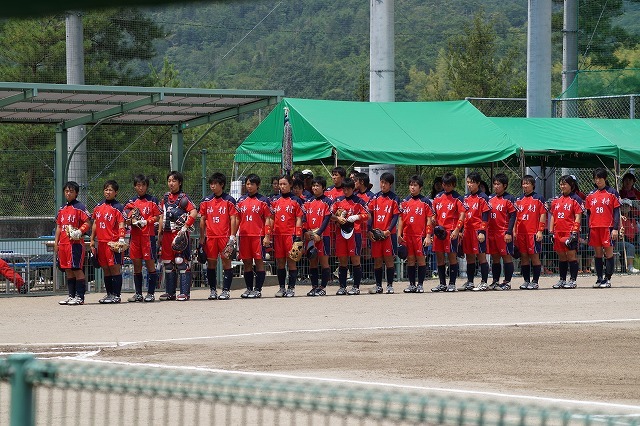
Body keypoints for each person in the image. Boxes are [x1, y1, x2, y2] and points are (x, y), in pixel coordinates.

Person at [157, 171, 198, 301]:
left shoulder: (183, 198)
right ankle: (170, 292)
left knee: (181, 262)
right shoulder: (164, 198)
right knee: (168, 264)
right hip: (167, 234)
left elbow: (193, 212)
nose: (171, 183)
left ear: (179, 183)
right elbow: (161, 216)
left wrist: (185, 227)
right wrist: (160, 234)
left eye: (174, 181)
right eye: (169, 180)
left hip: (179, 234)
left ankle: (185, 293)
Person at [199, 172, 238, 300]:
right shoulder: (206, 201)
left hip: (224, 236)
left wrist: (232, 236)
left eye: (215, 183)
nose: (212, 186)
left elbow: (233, 219)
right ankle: (213, 290)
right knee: (211, 264)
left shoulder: (229, 200)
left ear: (222, 184)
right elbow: (202, 219)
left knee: (227, 263)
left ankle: (226, 291)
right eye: (211, 183)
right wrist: (202, 236)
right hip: (210, 237)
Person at [264, 174, 304, 297]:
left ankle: (291, 288)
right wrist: (268, 235)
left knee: (291, 262)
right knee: (280, 262)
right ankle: (281, 288)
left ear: (290, 185)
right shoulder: (274, 201)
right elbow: (270, 218)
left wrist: (298, 236)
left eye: (284, 184)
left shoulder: (296, 200)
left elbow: (298, 219)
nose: (281, 186)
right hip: (278, 235)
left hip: (290, 235)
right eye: (280, 184)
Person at [123, 175, 161, 302]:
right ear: (135, 186)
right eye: (138, 185)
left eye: (143, 185)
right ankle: (138, 293)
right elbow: (126, 218)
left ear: (147, 186)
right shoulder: (131, 202)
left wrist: (147, 221)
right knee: (136, 265)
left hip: (147, 237)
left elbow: (157, 216)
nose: (141, 188)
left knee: (150, 264)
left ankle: (150, 293)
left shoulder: (152, 200)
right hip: (135, 237)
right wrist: (131, 220)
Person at [475, 173, 516, 291]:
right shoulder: (490, 198)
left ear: (505, 186)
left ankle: (507, 282)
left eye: (499, 184)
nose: (496, 186)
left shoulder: (509, 198)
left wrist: (509, 232)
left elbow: (513, 216)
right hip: (492, 232)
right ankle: (495, 281)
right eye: (495, 184)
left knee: (506, 257)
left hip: (503, 232)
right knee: (495, 258)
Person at [235, 174, 272, 299]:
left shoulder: (263, 200)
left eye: (252, 184)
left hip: (258, 236)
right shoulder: (240, 201)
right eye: (247, 184)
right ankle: (249, 288)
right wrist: (233, 235)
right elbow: (236, 219)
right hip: (244, 236)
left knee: (259, 262)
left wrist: (267, 236)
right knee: (246, 263)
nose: (249, 186)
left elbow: (268, 219)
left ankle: (258, 289)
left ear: (258, 185)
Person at [54, 181, 91, 305]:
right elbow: (59, 226)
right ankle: (71, 296)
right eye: (66, 191)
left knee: (76, 269)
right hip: (63, 244)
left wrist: (79, 232)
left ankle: (80, 297)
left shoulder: (80, 207)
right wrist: (56, 242)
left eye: (71, 191)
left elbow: (87, 222)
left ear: (76, 193)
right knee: (68, 270)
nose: (68, 193)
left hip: (74, 244)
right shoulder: (62, 209)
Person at [90, 180, 126, 304]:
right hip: (101, 242)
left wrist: (121, 238)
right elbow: (95, 223)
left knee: (114, 268)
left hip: (113, 243)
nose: (108, 192)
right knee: (105, 269)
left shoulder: (118, 207)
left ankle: (116, 295)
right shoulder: (98, 207)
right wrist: (92, 239)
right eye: (106, 189)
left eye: (111, 190)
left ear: (116, 192)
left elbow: (122, 222)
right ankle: (109, 294)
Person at [331, 178, 369, 295]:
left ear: (353, 189)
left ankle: (356, 287)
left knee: (355, 259)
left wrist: (357, 217)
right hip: (340, 233)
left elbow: (367, 215)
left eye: (348, 189)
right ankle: (342, 287)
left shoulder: (359, 201)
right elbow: (329, 214)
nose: (346, 191)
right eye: (344, 189)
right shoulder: (338, 201)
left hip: (355, 233)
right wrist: (338, 218)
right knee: (342, 259)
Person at [584, 167, 621, 288]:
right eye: (595, 178)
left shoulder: (612, 192)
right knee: (598, 253)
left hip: (608, 227)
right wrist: (588, 229)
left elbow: (616, 211)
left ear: (605, 178)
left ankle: (608, 278)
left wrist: (615, 228)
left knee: (608, 252)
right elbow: (588, 213)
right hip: (595, 227)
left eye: (599, 178)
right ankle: (599, 278)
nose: (597, 181)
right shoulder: (590, 195)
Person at [430, 172, 467, 292]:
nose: (446, 187)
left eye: (449, 185)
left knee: (452, 257)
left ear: (454, 185)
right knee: (439, 257)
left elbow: (462, 214)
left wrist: (457, 229)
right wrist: (434, 217)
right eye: (444, 185)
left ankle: (452, 283)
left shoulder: (458, 198)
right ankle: (442, 283)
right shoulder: (438, 197)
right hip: (439, 231)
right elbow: (433, 212)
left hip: (451, 231)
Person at [397, 175, 434, 293]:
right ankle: (412, 284)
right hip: (408, 235)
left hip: (420, 235)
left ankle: (420, 284)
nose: (412, 187)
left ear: (420, 187)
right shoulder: (405, 202)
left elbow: (429, 219)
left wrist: (428, 236)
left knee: (421, 259)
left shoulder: (425, 201)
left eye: (415, 185)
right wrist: (399, 234)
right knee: (410, 259)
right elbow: (401, 219)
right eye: (411, 185)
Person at [549, 175, 585, 289]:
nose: (562, 186)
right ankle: (562, 279)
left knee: (571, 256)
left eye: (565, 184)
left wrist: (574, 232)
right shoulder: (556, 200)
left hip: (569, 232)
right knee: (561, 257)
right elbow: (553, 216)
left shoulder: (576, 199)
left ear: (571, 185)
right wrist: (551, 232)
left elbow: (578, 216)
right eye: (561, 184)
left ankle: (573, 280)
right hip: (558, 232)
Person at [367, 172, 400, 294]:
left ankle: (390, 285)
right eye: (381, 182)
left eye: (385, 183)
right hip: (376, 234)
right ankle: (378, 285)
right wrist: (369, 230)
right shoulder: (374, 198)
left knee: (389, 259)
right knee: (377, 260)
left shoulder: (394, 198)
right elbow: (369, 215)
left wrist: (388, 231)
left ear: (390, 184)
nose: (383, 185)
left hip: (388, 234)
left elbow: (395, 217)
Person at [513, 175, 547, 290]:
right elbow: (515, 217)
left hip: (533, 232)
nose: (525, 186)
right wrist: (514, 230)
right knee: (524, 257)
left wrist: (540, 230)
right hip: (521, 233)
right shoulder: (518, 199)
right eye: (523, 183)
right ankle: (526, 281)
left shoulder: (538, 198)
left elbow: (543, 214)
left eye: (527, 183)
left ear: (533, 185)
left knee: (534, 256)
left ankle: (535, 281)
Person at [458, 172, 490, 291]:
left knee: (481, 256)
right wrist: (460, 230)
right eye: (468, 182)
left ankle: (484, 282)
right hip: (467, 231)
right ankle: (470, 282)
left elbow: (485, 216)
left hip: (478, 230)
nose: (469, 185)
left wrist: (482, 231)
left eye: (472, 182)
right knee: (469, 257)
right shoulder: (465, 198)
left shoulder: (483, 197)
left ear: (478, 183)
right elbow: (462, 215)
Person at [302, 176, 333, 296]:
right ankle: (314, 286)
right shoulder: (308, 202)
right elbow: (303, 218)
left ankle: (323, 287)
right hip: (310, 236)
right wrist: (305, 231)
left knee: (324, 262)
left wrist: (318, 233)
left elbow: (327, 219)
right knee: (312, 261)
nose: (315, 187)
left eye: (318, 185)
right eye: (313, 185)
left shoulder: (327, 201)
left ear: (323, 187)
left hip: (323, 236)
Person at [617, 199, 639, 273]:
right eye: (623, 206)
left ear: (630, 208)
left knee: (632, 245)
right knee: (630, 246)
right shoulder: (618, 218)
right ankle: (630, 266)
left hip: (631, 241)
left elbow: (636, 232)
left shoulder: (632, 219)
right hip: (618, 242)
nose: (625, 208)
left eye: (627, 206)